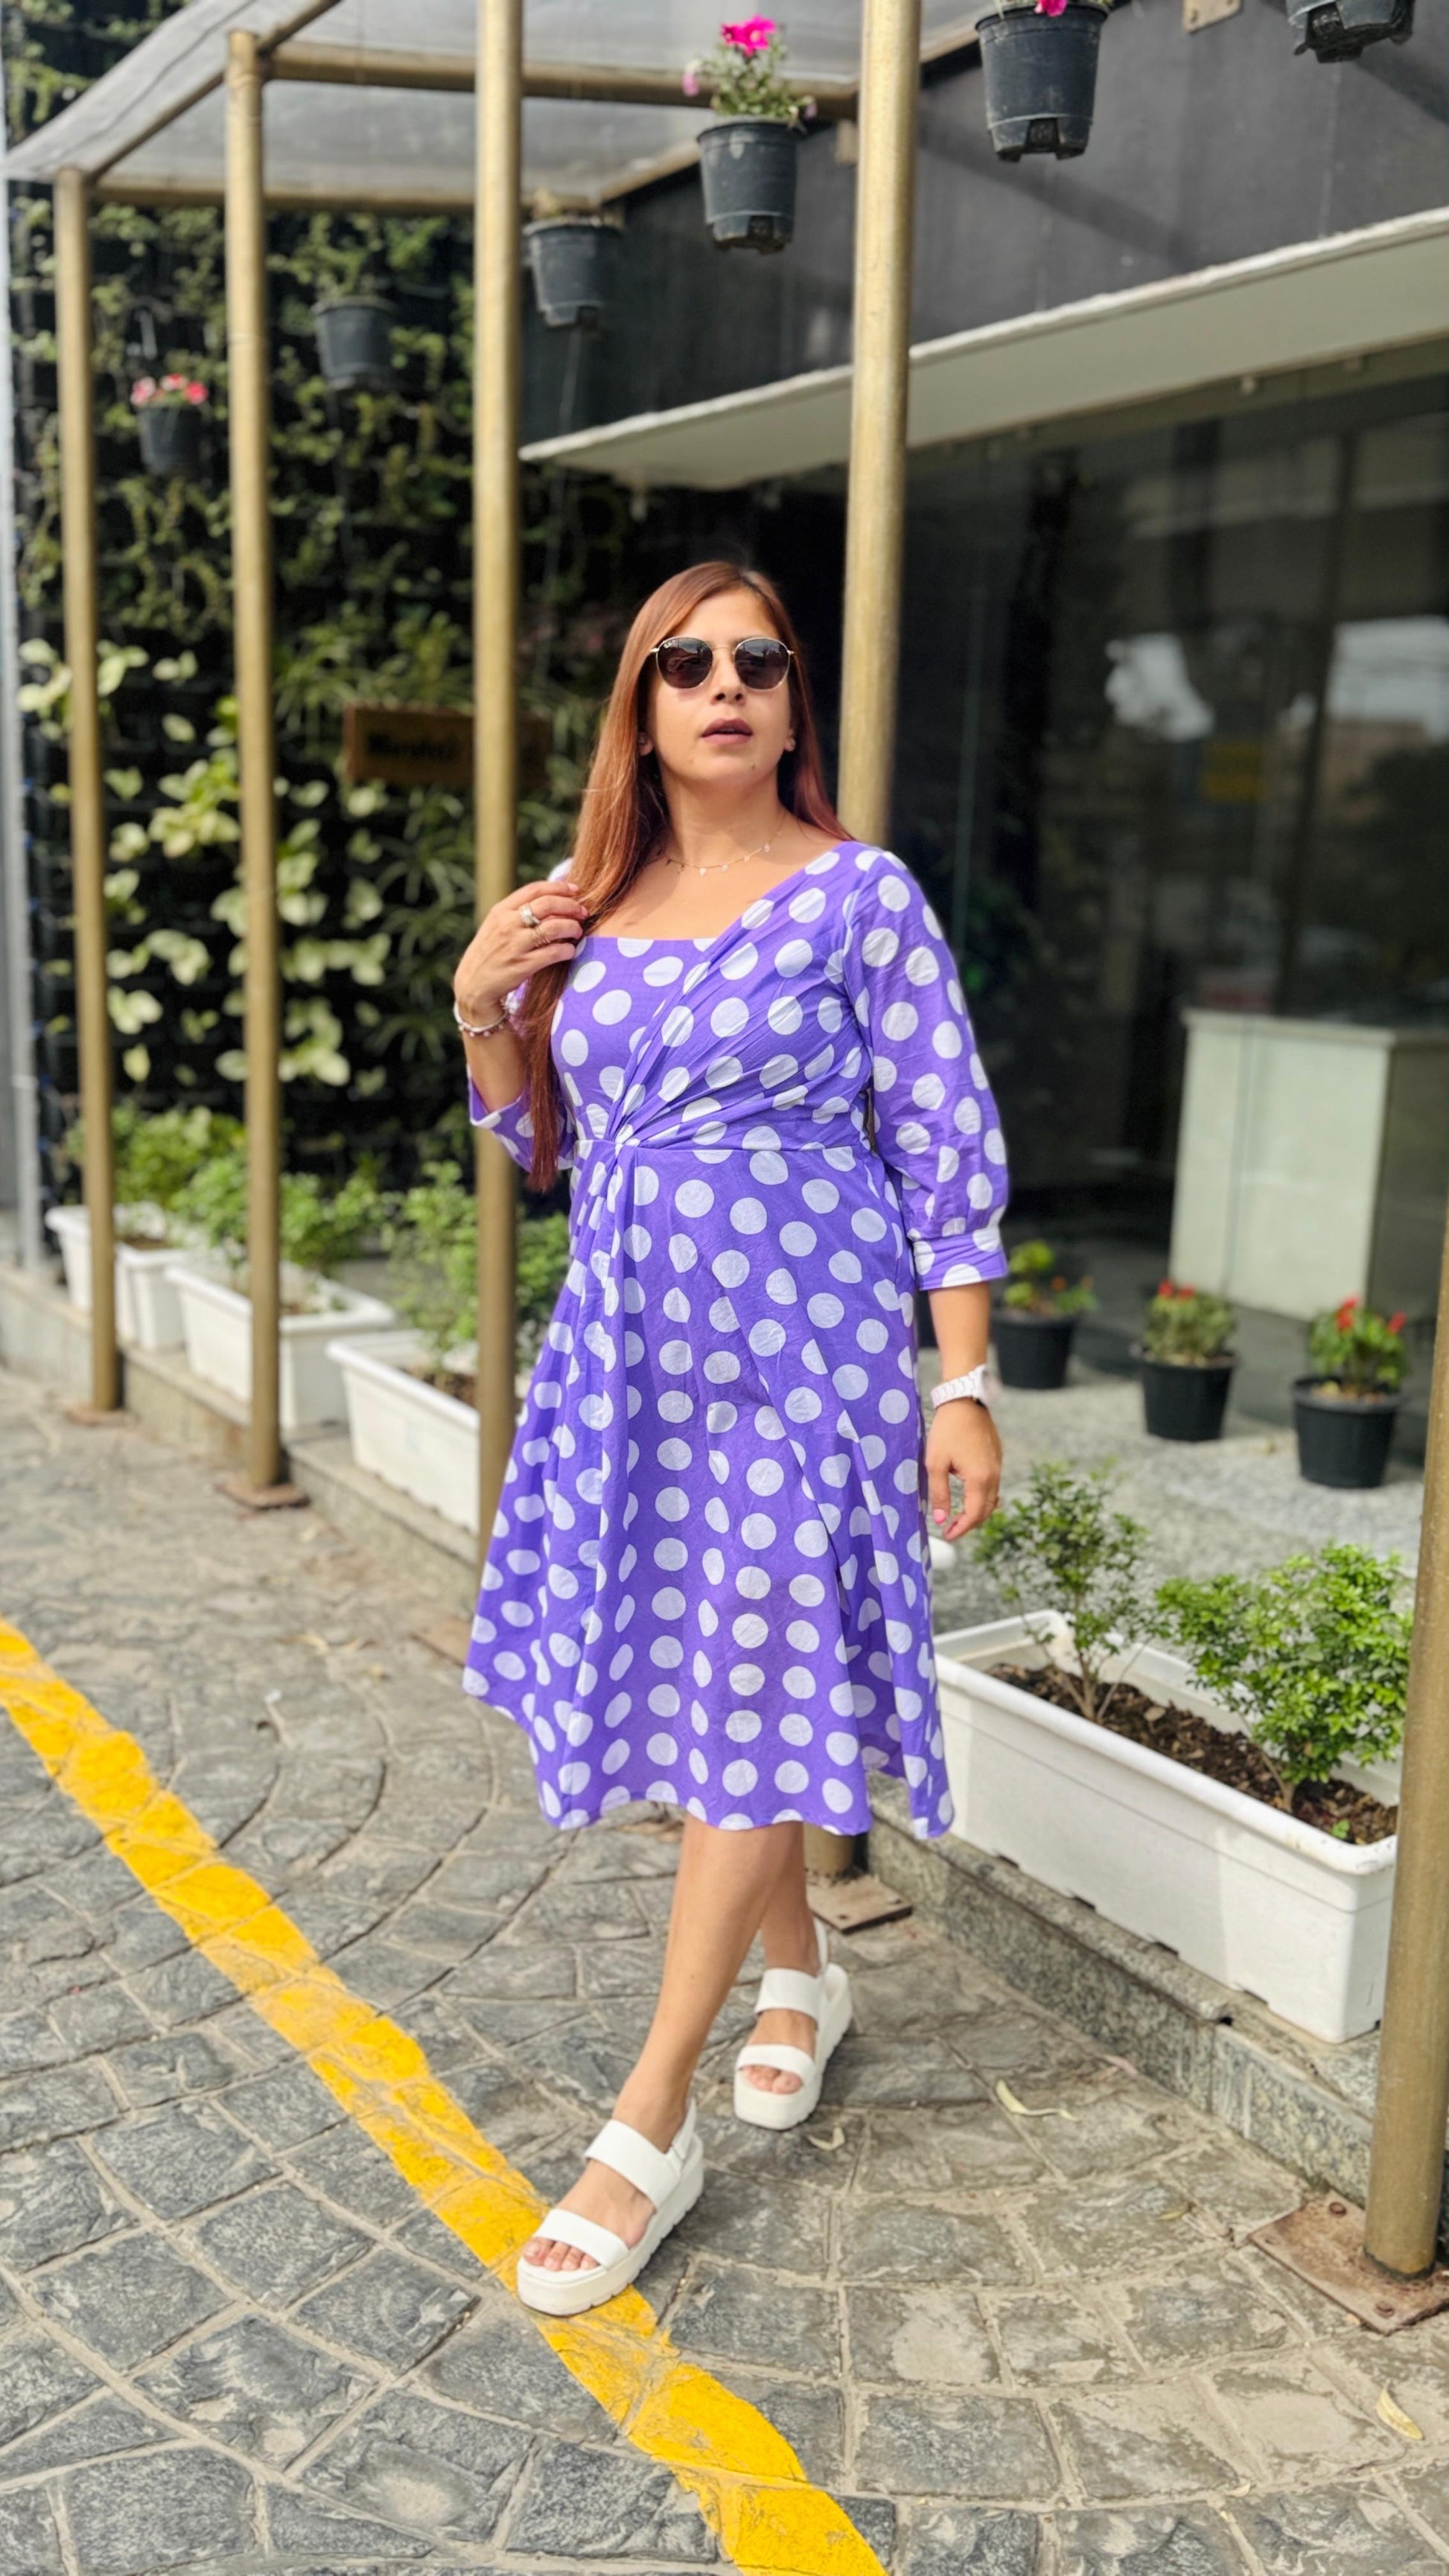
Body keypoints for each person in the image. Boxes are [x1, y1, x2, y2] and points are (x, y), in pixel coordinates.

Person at [452, 561, 1008, 2316]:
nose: (724, 685)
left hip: (811, 1344)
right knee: (719, 1669)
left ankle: (646, 2115)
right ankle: (804, 1977)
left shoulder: (860, 893)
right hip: (631, 1348)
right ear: (641, 700)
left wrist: (963, 1375)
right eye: (684, 662)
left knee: (764, 1666)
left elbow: (941, 1124)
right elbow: (541, 1142)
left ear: (790, 698)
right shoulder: (581, 906)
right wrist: (484, 1000)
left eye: (758, 660)